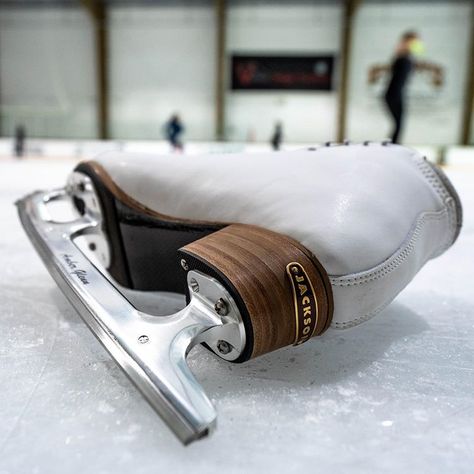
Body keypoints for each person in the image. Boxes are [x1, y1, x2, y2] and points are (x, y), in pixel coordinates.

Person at [382, 31, 423, 144]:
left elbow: (418, 52)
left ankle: (392, 146)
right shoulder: (402, 57)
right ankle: (391, 147)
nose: (418, 44)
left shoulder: (406, 57)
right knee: (398, 124)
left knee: (399, 124)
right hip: (393, 93)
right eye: (415, 42)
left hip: (397, 93)